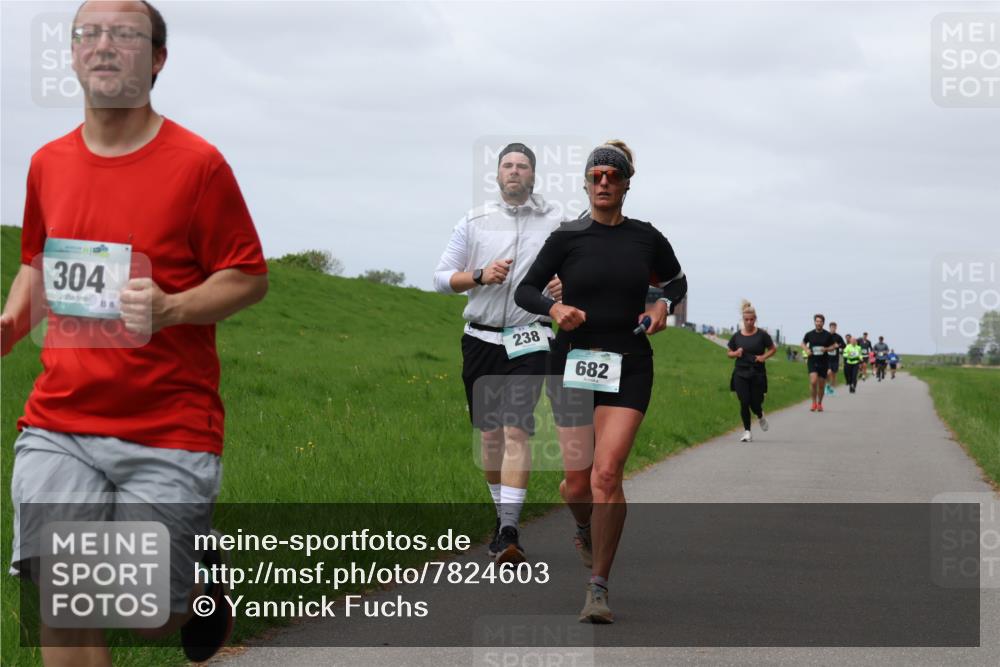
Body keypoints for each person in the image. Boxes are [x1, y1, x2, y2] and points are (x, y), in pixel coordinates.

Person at [1, 2, 268, 664]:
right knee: (66, 597)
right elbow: (38, 261)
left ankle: (201, 579)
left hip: (169, 424)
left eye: (124, 35)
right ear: (71, 56)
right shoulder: (47, 164)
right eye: (87, 34)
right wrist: (10, 321)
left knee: (148, 615)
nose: (103, 46)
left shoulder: (198, 165)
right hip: (60, 422)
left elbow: (249, 276)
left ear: (157, 59)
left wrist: (173, 307)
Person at [515, 140, 687, 623]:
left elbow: (676, 282)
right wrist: (555, 308)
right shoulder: (567, 238)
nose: (605, 182)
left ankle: (598, 587)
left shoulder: (646, 237)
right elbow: (527, 288)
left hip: (629, 361)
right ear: (587, 183)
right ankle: (585, 528)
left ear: (628, 183)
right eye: (597, 176)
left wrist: (659, 307)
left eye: (614, 175)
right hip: (572, 361)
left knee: (606, 474)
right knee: (575, 485)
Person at [433, 142, 564, 564]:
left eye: (522, 166)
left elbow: (580, 268)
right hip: (482, 338)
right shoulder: (474, 221)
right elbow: (440, 278)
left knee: (516, 428)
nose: (514, 171)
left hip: (531, 335)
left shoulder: (557, 222)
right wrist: (478, 275)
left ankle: (510, 529)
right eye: (507, 165)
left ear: (533, 175)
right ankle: (500, 517)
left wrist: (568, 285)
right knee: (490, 437)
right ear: (496, 175)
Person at [726, 300, 776, 442]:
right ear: (743, 320)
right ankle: (747, 431)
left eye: (751, 319)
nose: (749, 322)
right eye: (746, 319)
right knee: (744, 402)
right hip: (740, 372)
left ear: (755, 319)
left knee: (755, 403)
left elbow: (773, 349)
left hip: (757, 373)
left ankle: (760, 415)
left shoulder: (762, 335)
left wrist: (763, 357)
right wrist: (736, 353)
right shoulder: (737, 336)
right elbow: (729, 353)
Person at [801, 314, 837, 412]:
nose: (818, 323)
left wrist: (826, 349)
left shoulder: (827, 335)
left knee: (821, 385)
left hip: (823, 362)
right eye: (817, 321)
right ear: (814, 322)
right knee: (813, 381)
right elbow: (802, 343)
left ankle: (820, 403)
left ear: (823, 323)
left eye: (820, 321)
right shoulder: (809, 334)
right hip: (812, 360)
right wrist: (807, 349)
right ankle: (813, 403)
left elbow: (834, 346)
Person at [825, 321, 845, 395]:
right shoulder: (826, 335)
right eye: (831, 327)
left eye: (834, 327)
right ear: (829, 328)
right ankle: (827, 386)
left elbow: (844, 345)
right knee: (828, 372)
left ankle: (831, 389)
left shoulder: (838, 337)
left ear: (836, 328)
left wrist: (838, 345)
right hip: (827, 358)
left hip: (835, 358)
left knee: (834, 375)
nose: (833, 329)